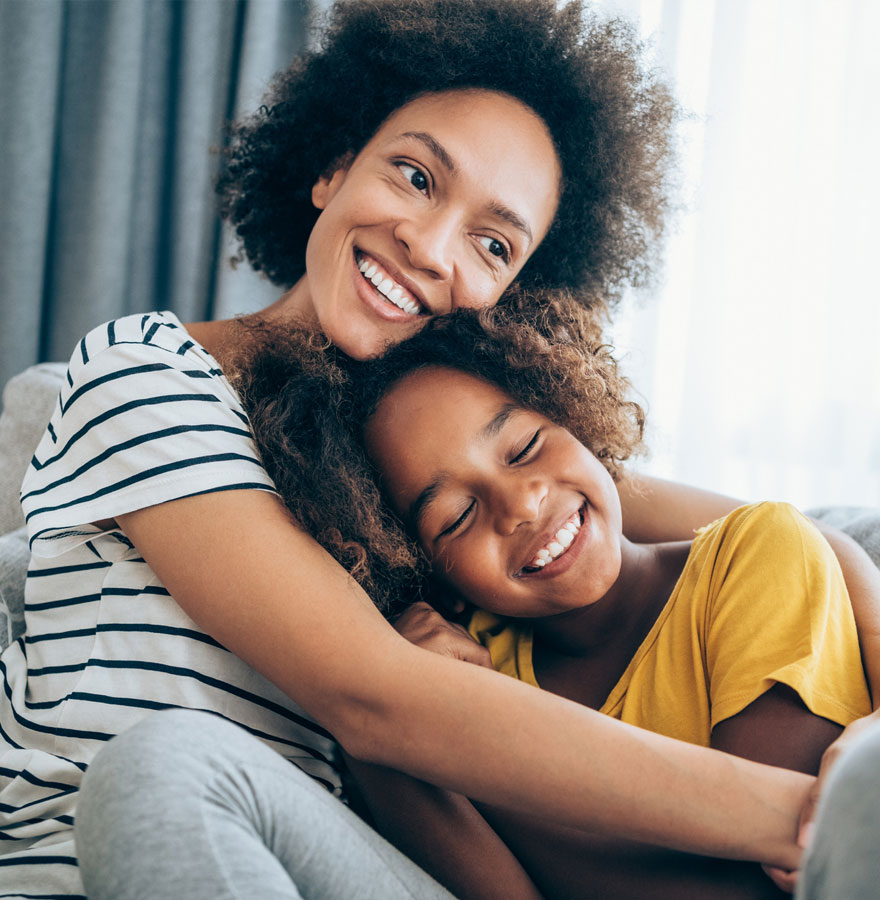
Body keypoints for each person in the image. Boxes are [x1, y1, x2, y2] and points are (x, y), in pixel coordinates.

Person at [1, 1, 877, 898]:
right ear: (333, 168)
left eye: (492, 243)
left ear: (511, 295)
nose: (427, 246)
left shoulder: (427, 458)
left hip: (332, 863)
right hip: (87, 855)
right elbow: (371, 696)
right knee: (168, 763)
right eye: (416, 177)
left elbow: (807, 537)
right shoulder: (147, 373)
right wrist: (822, 819)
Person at [294, 303, 870, 898]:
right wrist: (392, 725)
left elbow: (763, 880)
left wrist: (452, 755)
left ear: (574, 414)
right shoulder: (463, 669)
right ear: (426, 571)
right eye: (457, 516)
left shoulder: (760, 554)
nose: (521, 506)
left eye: (524, 448)